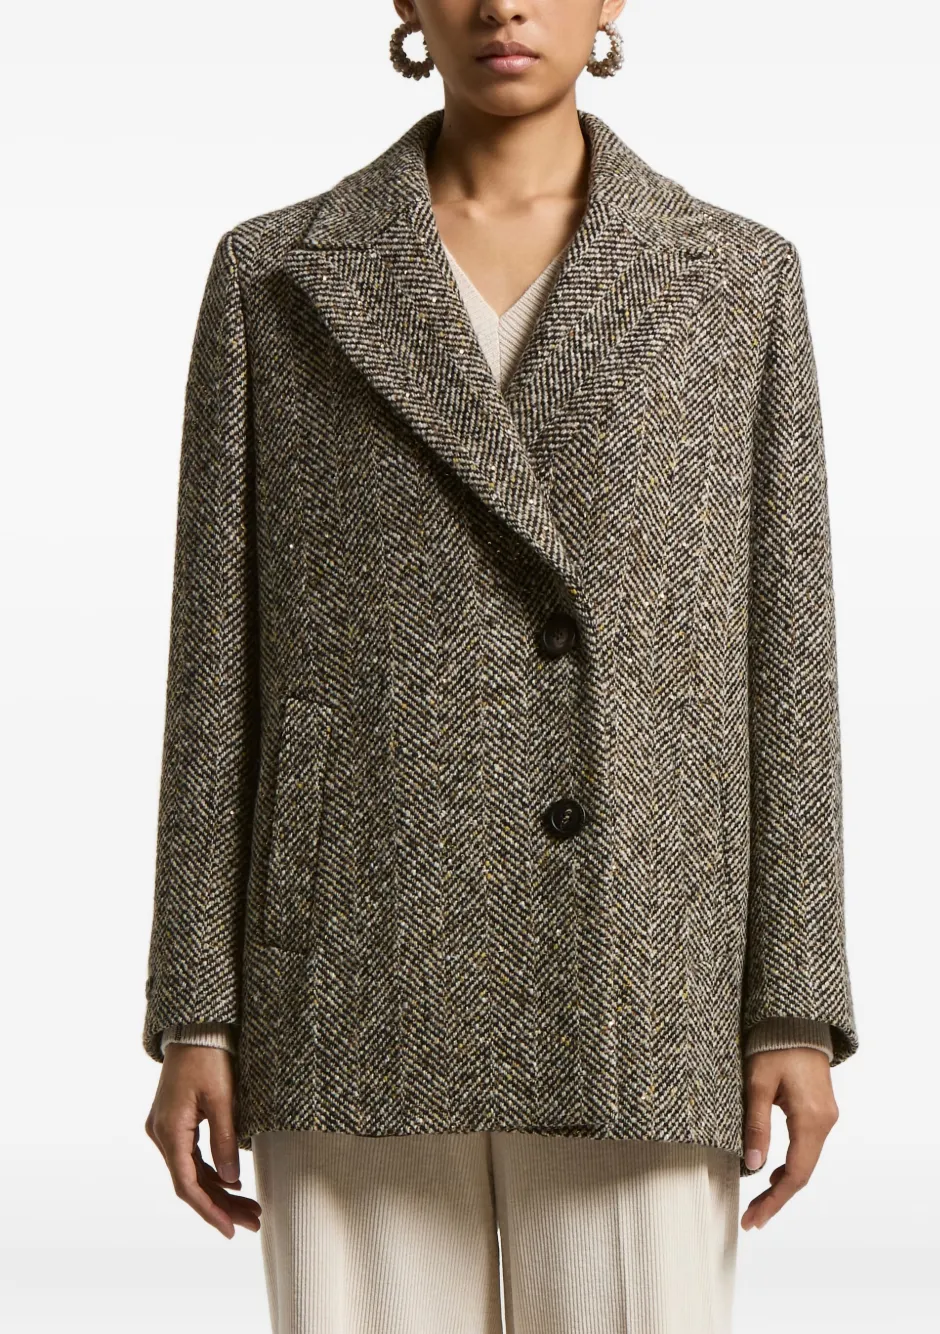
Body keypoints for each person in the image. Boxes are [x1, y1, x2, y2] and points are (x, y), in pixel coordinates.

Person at [142, 3, 858, 1331]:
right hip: (352, 950)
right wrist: (198, 1010)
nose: (503, 5)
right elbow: (215, 666)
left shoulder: (733, 278)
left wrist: (793, 1009)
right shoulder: (278, 275)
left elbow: (787, 659)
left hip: (641, 950)